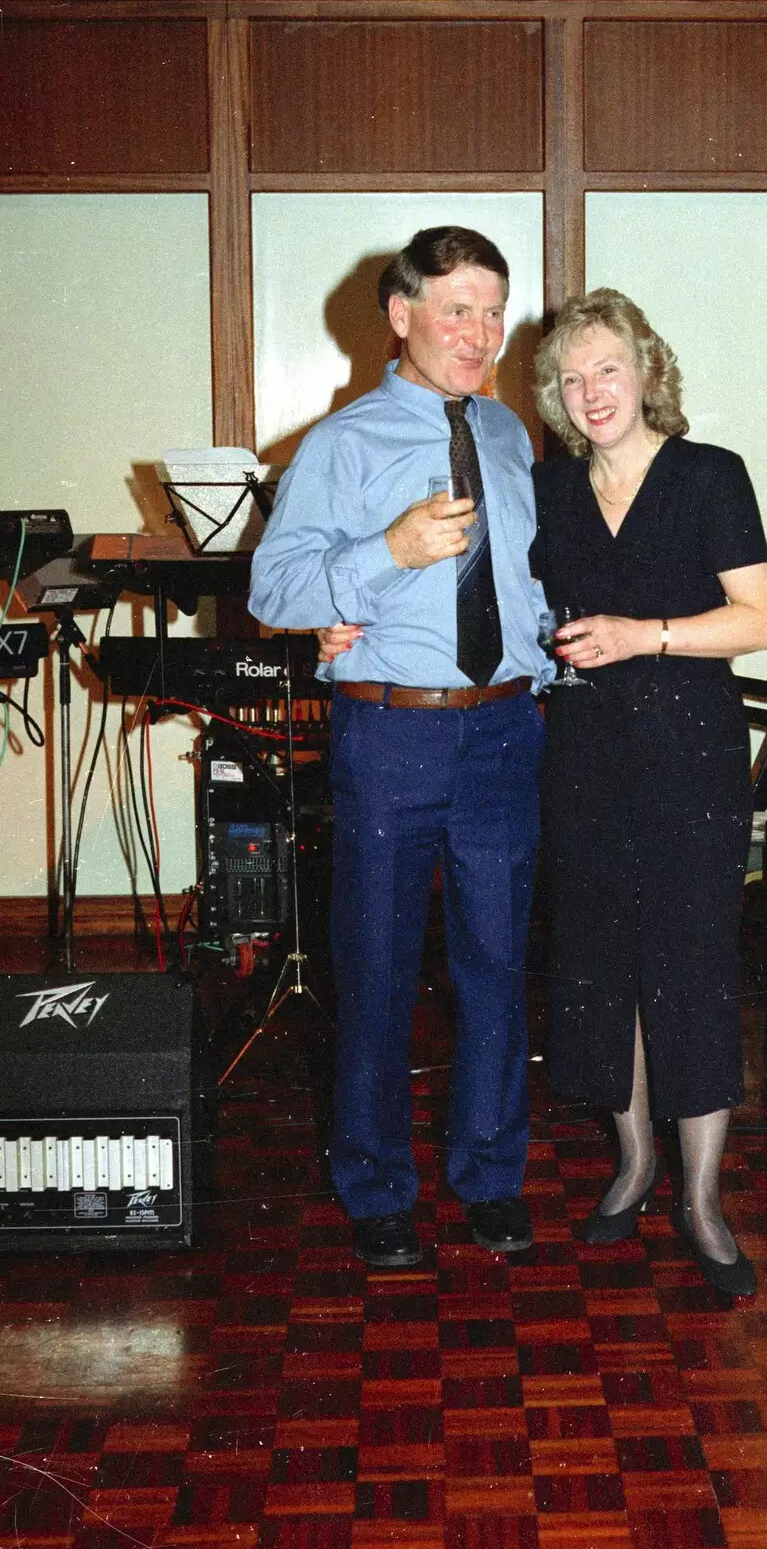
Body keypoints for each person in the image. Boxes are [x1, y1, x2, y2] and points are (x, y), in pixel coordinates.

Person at [249, 226, 550, 1269]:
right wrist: (388, 551)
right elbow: (273, 589)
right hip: (391, 734)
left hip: (507, 730)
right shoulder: (343, 442)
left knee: (500, 966)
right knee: (375, 968)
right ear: (401, 314)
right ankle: (376, 1186)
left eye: (492, 310)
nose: (479, 333)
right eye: (456, 308)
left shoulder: (512, 434)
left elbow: (526, 585)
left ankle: (491, 1176)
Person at [530, 288, 767, 1298]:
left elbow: (762, 620)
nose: (590, 390)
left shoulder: (707, 477)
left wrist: (644, 635)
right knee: (602, 963)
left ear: (646, 369)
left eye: (606, 367)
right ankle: (634, 1164)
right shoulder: (551, 493)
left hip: (688, 751)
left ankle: (703, 1197)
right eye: (569, 376)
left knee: (689, 966)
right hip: (586, 755)